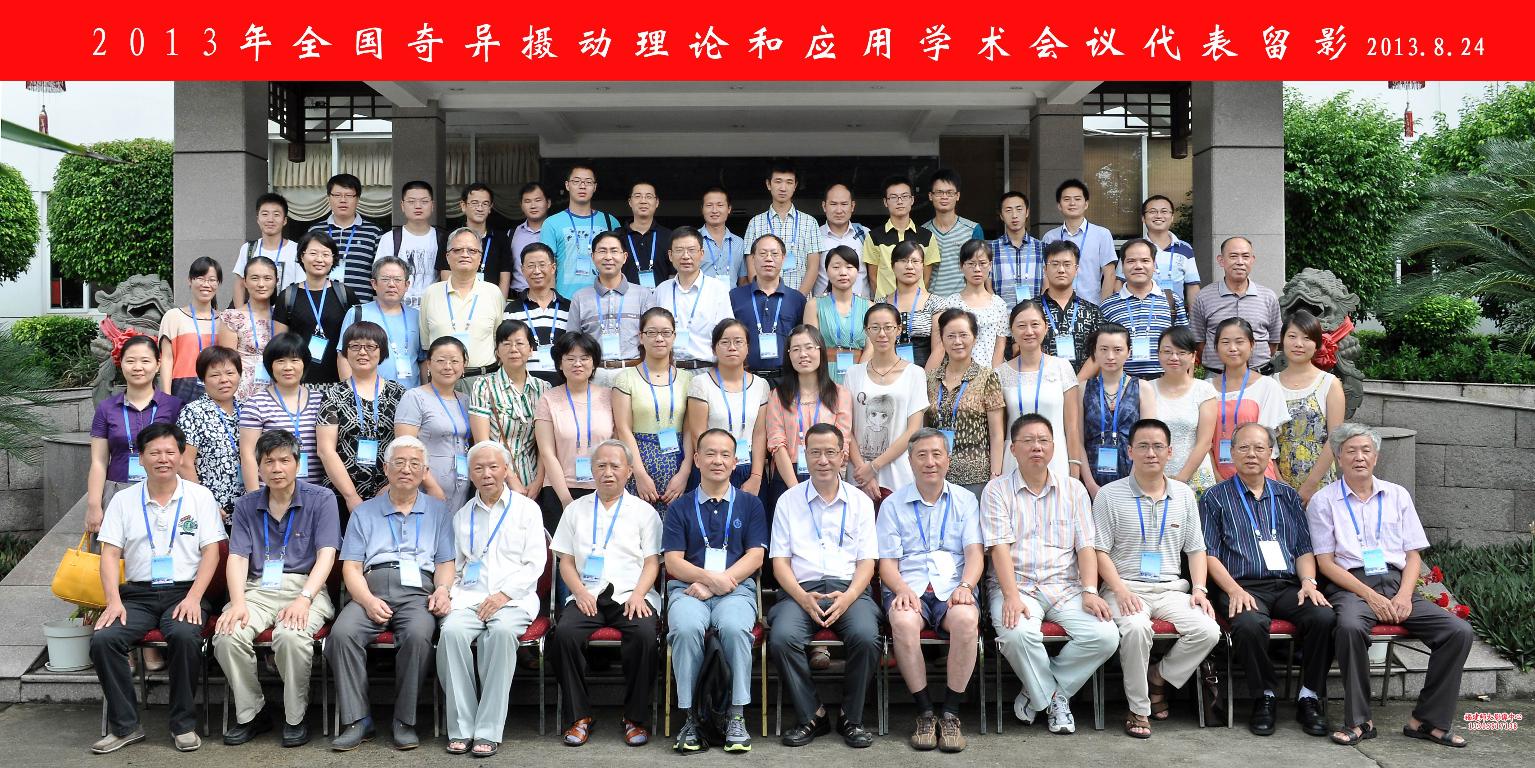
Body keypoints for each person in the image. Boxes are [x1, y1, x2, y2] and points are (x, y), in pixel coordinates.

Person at [1306, 423, 1474, 748]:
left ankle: (1427, 721)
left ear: (1376, 457)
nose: (1359, 457)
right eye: (1351, 451)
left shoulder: (1397, 495)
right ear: (1338, 458)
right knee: (1349, 628)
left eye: (1366, 450)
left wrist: (1405, 596)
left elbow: (1412, 555)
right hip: (1351, 586)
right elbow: (1325, 563)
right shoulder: (1324, 501)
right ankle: (1359, 721)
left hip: (1397, 584)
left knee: (1457, 631)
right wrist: (1370, 595)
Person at [89, 422, 225, 754]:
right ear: (142, 457)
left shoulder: (200, 496)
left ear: (180, 455)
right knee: (104, 639)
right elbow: (110, 554)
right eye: (154, 452)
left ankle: (183, 725)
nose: (163, 459)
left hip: (185, 591)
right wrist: (113, 601)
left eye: (169, 452)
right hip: (137, 594)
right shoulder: (123, 500)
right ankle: (125, 727)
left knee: (184, 635)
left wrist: (195, 597)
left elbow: (212, 552)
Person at [982, 413, 1117, 735]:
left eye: (1043, 440)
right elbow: (998, 548)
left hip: (1066, 587)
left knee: (1105, 636)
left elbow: (1086, 547)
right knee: (1017, 634)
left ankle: (1038, 690)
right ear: (1013, 449)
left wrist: (1090, 590)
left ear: (1054, 447)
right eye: (1028, 441)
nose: (1037, 447)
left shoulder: (1073, 489)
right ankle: (1055, 699)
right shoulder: (996, 490)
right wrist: (1011, 596)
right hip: (1017, 586)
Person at [1200, 422, 1334, 737]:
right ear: (1232, 453)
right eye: (1244, 447)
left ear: (1270, 453)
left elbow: (1303, 549)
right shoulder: (1214, 498)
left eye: (1259, 448)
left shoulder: (1287, 496)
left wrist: (1308, 583)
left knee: (1324, 617)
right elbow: (1209, 554)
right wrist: (1233, 590)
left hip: (1288, 585)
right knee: (1248, 624)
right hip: (1241, 585)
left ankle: (1309, 696)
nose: (1252, 454)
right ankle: (1265, 696)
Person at [1092, 418, 1219, 738]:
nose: (1151, 453)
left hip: (1170, 589)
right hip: (1124, 587)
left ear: (1170, 452)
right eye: (1144, 446)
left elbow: (1196, 549)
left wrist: (1200, 589)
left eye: (1158, 446)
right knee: (1136, 628)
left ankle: (1158, 676)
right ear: (1130, 451)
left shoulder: (1184, 495)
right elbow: (1099, 551)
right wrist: (1119, 590)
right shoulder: (1109, 495)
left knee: (1208, 630)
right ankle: (1138, 708)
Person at [215, 428, 340, 748]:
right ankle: (252, 713)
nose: (277, 468)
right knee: (227, 634)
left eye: (285, 460)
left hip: (305, 587)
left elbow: (327, 555)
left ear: (298, 463)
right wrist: (237, 603)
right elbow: (237, 558)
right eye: (268, 462)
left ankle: (295, 716)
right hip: (257, 590)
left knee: (291, 636)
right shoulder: (246, 505)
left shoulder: (322, 499)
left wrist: (304, 599)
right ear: (258, 467)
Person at [327, 436, 454, 752]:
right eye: (399, 462)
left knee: (418, 635)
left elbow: (445, 563)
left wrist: (442, 589)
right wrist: (368, 600)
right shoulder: (364, 512)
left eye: (414, 464)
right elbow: (351, 567)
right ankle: (357, 720)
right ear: (386, 468)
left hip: (418, 592)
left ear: (424, 471)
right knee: (342, 634)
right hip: (371, 588)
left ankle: (404, 720)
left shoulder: (439, 511)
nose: (406, 469)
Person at [768, 424, 880, 748]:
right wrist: (802, 597)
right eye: (815, 452)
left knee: (866, 636)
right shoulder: (788, 501)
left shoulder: (860, 502)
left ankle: (851, 717)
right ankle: (812, 715)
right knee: (782, 638)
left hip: (849, 590)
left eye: (830, 452)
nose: (823, 460)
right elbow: (779, 563)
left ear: (843, 456)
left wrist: (849, 597)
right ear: (805, 455)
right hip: (800, 590)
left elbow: (867, 563)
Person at [437, 440, 549, 756]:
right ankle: (462, 727)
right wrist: (447, 592)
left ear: (506, 470)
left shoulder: (527, 510)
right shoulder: (462, 516)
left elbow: (535, 564)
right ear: (470, 474)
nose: (486, 474)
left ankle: (487, 730)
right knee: (451, 633)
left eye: (493, 467)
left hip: (514, 599)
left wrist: (503, 595)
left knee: (499, 634)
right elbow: (457, 568)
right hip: (469, 598)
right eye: (479, 468)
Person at [551, 439, 664, 747]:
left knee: (644, 636)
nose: (608, 472)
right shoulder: (575, 510)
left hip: (631, 594)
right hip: (587, 593)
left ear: (629, 471)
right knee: (564, 635)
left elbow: (652, 562)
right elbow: (566, 562)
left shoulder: (644, 512)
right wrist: (579, 592)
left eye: (615, 466)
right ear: (592, 470)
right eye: (601, 466)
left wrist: (639, 594)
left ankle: (634, 718)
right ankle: (580, 716)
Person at [877, 429, 984, 752]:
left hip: (953, 586)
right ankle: (924, 712)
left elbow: (975, 554)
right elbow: (886, 563)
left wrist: (966, 585)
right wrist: (900, 589)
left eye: (937, 454)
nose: (930, 462)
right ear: (910, 461)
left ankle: (950, 713)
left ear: (948, 460)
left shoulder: (965, 500)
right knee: (903, 621)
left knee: (966, 619)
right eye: (921, 455)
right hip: (908, 585)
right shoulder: (892, 505)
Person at [663, 429, 769, 754]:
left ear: (735, 461)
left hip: (736, 590)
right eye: (710, 453)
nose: (717, 460)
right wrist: (709, 579)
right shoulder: (680, 507)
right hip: (688, 590)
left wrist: (719, 582)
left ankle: (736, 716)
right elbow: (673, 562)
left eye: (725, 454)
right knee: (684, 628)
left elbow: (756, 556)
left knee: (736, 629)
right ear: (696, 459)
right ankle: (691, 718)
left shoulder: (750, 504)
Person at [87, 334, 183, 533]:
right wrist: (94, 505)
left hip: (164, 491)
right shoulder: (106, 408)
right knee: (116, 549)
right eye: (130, 361)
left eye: (145, 361)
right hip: (117, 490)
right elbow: (98, 462)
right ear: (120, 364)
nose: (138, 367)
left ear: (157, 365)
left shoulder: (174, 406)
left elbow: (183, 457)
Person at [316, 321, 406, 514]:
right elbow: (325, 450)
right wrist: (351, 497)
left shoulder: (399, 394)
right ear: (346, 352)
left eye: (371, 346)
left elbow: (406, 445)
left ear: (382, 351)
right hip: (341, 495)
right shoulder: (333, 394)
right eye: (355, 346)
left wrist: (391, 487)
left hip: (390, 494)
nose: (362, 352)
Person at [612, 308, 694, 509]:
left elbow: (690, 430)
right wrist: (639, 474)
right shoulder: (625, 378)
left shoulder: (688, 379)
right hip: (638, 465)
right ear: (641, 337)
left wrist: (685, 472)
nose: (659, 338)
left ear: (674, 336)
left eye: (666, 332)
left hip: (677, 468)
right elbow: (623, 429)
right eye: (652, 332)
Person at [533, 332, 614, 532]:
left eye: (584, 358)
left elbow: (617, 445)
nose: (578, 364)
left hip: (603, 488)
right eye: (570, 358)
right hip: (559, 490)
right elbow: (547, 452)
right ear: (560, 364)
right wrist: (566, 499)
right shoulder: (548, 399)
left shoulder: (609, 397)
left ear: (594, 363)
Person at [845, 303, 928, 496]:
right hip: (859, 473)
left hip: (899, 473)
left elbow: (913, 430)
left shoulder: (915, 373)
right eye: (875, 328)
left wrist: (874, 466)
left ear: (898, 329)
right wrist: (863, 470)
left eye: (888, 327)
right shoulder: (853, 373)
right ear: (867, 331)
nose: (882, 334)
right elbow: (847, 428)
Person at [764, 325, 853, 503]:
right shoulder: (777, 396)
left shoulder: (840, 394)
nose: (803, 354)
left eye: (809, 347)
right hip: (787, 476)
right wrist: (795, 490)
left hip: (826, 473)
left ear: (821, 351)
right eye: (796, 349)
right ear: (789, 355)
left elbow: (842, 442)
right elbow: (776, 443)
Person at [995, 300, 1081, 481]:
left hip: (1055, 458)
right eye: (1021, 326)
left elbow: (1072, 427)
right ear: (1012, 331)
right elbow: (998, 431)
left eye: (1035, 324)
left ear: (1045, 327)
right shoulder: (1000, 373)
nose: (1029, 331)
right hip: (1014, 459)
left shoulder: (1062, 367)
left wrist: (1074, 467)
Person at [925, 309, 1006, 498]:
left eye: (963, 335)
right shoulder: (930, 379)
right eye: (950, 336)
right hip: (936, 474)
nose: (957, 341)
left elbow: (996, 434)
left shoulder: (987, 377)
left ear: (974, 338)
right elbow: (925, 428)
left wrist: (995, 476)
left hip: (976, 477)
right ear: (942, 339)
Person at [684, 320, 770, 492]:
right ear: (714, 349)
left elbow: (760, 434)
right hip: (713, 467)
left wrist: (756, 477)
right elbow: (698, 435)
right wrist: (717, 472)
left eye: (738, 342)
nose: (732, 347)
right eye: (724, 342)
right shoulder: (700, 384)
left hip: (749, 467)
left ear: (747, 348)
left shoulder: (761, 385)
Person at [469, 319, 551, 501]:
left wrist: (539, 481)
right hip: (497, 481)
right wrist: (511, 480)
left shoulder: (544, 388)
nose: (514, 349)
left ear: (531, 349)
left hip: (535, 483)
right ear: (497, 351)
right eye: (506, 344)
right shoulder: (483, 386)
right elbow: (482, 442)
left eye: (520, 343)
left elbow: (545, 444)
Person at [1273, 310, 1345, 504]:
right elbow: (1266, 439)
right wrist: (1278, 482)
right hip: (1276, 485)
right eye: (1292, 336)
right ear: (1282, 340)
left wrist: (1309, 486)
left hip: (1319, 485)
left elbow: (1335, 438)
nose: (1299, 344)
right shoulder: (1270, 384)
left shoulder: (1329, 384)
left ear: (1317, 344)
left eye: (1306, 338)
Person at [420, 228, 506, 389]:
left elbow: (498, 339)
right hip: (441, 381)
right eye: (457, 250)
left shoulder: (493, 293)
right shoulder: (431, 293)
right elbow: (426, 344)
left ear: (480, 257)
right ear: (447, 256)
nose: (465, 254)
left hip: (483, 382)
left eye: (472, 251)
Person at [1079, 323, 1159, 497]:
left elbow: (1147, 440)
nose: (1110, 356)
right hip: (1090, 482)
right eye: (1103, 349)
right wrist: (1090, 485)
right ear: (1095, 352)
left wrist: (1131, 482)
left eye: (1117, 350)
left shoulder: (1142, 388)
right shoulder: (1083, 389)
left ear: (1128, 352)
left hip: (1133, 480)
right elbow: (1077, 441)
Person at [396, 336, 475, 508]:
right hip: (425, 490)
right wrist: (431, 486)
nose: (448, 366)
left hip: (461, 491)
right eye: (440, 361)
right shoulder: (415, 397)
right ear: (429, 364)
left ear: (464, 365)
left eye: (454, 361)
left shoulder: (466, 400)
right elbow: (405, 447)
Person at [1209, 318, 1292, 482]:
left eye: (1239, 342)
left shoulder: (1267, 386)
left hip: (1259, 478)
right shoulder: (1205, 389)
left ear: (1252, 345)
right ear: (1216, 347)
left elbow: (1269, 443)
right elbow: (1203, 443)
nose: (1233, 348)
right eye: (1225, 342)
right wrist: (1217, 479)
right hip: (1216, 478)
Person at [567, 230, 653, 385]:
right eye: (602, 251)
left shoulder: (643, 295)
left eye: (614, 251)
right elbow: (572, 342)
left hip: (633, 373)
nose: (608, 257)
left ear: (624, 257)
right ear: (593, 257)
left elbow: (651, 338)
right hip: (594, 376)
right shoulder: (580, 298)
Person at [239, 332, 324, 490]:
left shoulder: (321, 401)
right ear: (270, 365)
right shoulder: (256, 404)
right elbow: (248, 455)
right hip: (272, 493)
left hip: (315, 494)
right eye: (280, 361)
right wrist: (254, 497)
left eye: (294, 360)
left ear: (304, 363)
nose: (288, 367)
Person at [1190, 236, 1284, 374]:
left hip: (1259, 375)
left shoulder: (1268, 297)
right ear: (1221, 260)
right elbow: (1198, 341)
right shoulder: (1204, 297)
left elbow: (1274, 341)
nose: (1240, 262)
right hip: (1216, 376)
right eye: (1233, 256)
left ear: (1252, 260)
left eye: (1245, 256)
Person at [272, 231, 356, 385]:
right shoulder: (287, 296)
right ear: (302, 256)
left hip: (340, 382)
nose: (319, 259)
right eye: (313, 253)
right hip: (300, 383)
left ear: (333, 259)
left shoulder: (345, 294)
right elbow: (280, 345)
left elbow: (356, 340)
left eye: (326, 254)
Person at [1098, 238, 1188, 380]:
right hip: (1122, 382)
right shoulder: (1108, 306)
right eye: (1131, 261)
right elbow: (1101, 350)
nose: (1138, 266)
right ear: (1122, 266)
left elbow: (1185, 346)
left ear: (1154, 264)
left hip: (1165, 381)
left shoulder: (1172, 300)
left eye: (1145, 261)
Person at [729, 234, 808, 388]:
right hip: (745, 379)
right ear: (752, 259)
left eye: (774, 254)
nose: (769, 259)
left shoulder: (797, 299)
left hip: (786, 381)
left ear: (783, 258)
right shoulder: (735, 297)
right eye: (763, 253)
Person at [177, 346, 246, 521]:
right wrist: (205, 504)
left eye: (230, 373)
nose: (224, 380)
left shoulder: (248, 410)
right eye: (215, 375)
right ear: (203, 379)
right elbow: (184, 463)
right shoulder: (193, 412)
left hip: (247, 508)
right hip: (211, 509)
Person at [651, 226, 733, 370]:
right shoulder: (661, 290)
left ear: (702, 254)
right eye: (679, 250)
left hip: (706, 370)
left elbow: (727, 333)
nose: (686, 256)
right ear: (670, 255)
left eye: (691, 250)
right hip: (668, 370)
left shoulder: (717, 289)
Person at [1152, 326, 1218, 494]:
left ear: (1193, 356)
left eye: (1181, 352)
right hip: (1155, 476)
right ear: (1158, 354)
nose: (1174, 357)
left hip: (1195, 477)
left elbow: (1204, 442)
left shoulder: (1204, 390)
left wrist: (1180, 479)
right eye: (1167, 351)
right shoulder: (1146, 389)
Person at [339, 256, 423, 387]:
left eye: (397, 280)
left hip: (411, 394)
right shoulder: (357, 313)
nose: (391, 284)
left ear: (407, 285)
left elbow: (423, 360)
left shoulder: (417, 316)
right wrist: (351, 392)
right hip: (368, 394)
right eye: (385, 279)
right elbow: (343, 356)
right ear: (374, 284)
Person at [744, 158, 822, 294]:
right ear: (768, 184)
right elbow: (751, 266)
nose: (783, 188)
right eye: (778, 181)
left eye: (789, 182)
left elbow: (813, 268)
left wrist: (797, 299)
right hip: (764, 299)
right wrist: (763, 296)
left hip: (799, 300)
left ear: (795, 185)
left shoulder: (810, 222)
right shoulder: (755, 223)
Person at [929, 240, 1008, 370]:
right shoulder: (950, 304)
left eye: (982, 263)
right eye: (971, 264)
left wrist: (994, 375)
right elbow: (940, 347)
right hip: (957, 373)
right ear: (961, 266)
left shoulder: (999, 304)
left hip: (988, 372)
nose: (977, 269)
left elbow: (1000, 347)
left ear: (990, 265)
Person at [546, 164, 622, 298]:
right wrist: (553, 301)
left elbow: (619, 263)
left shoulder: (610, 221)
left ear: (595, 187)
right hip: (565, 299)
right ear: (567, 185)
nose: (582, 186)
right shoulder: (551, 223)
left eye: (588, 182)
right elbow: (547, 267)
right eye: (576, 181)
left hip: (604, 297)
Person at [308, 172, 383, 303]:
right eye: (337, 195)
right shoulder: (315, 231)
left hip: (360, 305)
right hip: (320, 304)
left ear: (357, 198)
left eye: (349, 195)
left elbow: (380, 273)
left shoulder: (374, 232)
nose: (343, 200)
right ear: (329, 197)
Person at [863, 175, 941, 300]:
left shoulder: (927, 236)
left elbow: (926, 277)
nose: (899, 201)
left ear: (912, 200)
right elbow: (873, 277)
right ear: (885, 202)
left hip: (917, 305)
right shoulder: (874, 237)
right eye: (893, 197)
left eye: (904, 196)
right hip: (886, 305)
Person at [158, 256, 223, 402]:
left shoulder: (225, 321)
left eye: (212, 280)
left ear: (218, 283)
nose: (206, 284)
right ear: (190, 280)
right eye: (200, 278)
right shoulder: (173, 317)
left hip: (218, 387)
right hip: (182, 388)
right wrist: (166, 399)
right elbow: (166, 359)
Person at [373, 180, 447, 309]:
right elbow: (380, 276)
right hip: (398, 309)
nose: (418, 206)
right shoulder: (390, 238)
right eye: (411, 201)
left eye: (424, 201)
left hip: (433, 309)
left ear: (432, 205)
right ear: (402, 205)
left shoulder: (442, 239)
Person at [1041, 179, 1117, 303]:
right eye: (1066, 199)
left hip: (1092, 305)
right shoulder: (1050, 237)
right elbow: (1046, 275)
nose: (1072, 203)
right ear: (1059, 205)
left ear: (1086, 204)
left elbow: (1109, 274)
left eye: (1077, 199)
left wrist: (1104, 308)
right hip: (1057, 306)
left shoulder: (1102, 234)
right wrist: (1047, 306)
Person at [506, 243, 569, 386]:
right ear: (522, 270)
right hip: (525, 386)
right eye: (530, 266)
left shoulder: (569, 308)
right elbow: (508, 350)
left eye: (542, 265)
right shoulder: (512, 310)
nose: (536, 271)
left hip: (563, 387)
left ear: (553, 268)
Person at [804, 245, 870, 382]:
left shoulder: (869, 306)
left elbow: (871, 348)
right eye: (836, 267)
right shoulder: (814, 305)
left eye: (849, 267)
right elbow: (811, 346)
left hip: (861, 373)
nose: (843, 272)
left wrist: (858, 375)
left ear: (858, 271)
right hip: (824, 375)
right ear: (826, 271)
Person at [218, 255, 279, 400]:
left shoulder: (282, 317)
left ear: (276, 281)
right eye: (255, 278)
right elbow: (228, 363)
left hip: (278, 389)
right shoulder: (232, 317)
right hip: (243, 391)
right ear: (245, 282)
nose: (261, 284)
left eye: (267, 278)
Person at [437, 183, 513, 297]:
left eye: (485, 204)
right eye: (474, 203)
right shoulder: (450, 237)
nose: (480, 208)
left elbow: (505, 277)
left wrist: (500, 303)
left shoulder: (501, 239)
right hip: (458, 300)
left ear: (490, 208)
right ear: (463, 205)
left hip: (490, 300)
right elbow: (445, 273)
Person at [1038, 241, 1103, 374]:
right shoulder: (1032, 310)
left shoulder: (1092, 312)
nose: (1061, 270)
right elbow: (1020, 349)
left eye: (1067, 264)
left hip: (1083, 384)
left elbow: (1100, 352)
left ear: (1076, 269)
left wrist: (1078, 382)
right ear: (1045, 269)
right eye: (1055, 264)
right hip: (1041, 382)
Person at [923, 169, 987, 298]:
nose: (944, 197)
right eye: (939, 192)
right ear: (930, 196)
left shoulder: (973, 229)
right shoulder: (923, 232)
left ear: (957, 196)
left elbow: (981, 268)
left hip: (965, 301)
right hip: (933, 301)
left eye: (949, 193)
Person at [232, 192, 301, 305]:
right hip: (254, 313)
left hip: (286, 313)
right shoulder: (249, 249)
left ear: (284, 220)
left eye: (276, 214)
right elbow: (240, 284)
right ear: (258, 219)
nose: (270, 219)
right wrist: (241, 312)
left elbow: (301, 287)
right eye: (265, 214)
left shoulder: (296, 250)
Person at [1138, 195, 1200, 307]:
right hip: (1141, 312)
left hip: (1176, 314)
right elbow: (1120, 282)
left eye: (1164, 211)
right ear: (1143, 218)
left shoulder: (1185, 248)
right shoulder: (1134, 248)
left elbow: (1192, 285)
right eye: (1152, 211)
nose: (1158, 216)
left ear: (1172, 217)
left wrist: (1194, 316)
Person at [881, 240, 936, 366]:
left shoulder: (935, 303)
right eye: (903, 261)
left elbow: (939, 348)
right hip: (887, 371)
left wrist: (925, 376)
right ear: (893, 266)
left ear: (923, 266)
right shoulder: (880, 304)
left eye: (915, 261)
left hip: (925, 370)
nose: (909, 266)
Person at [991, 191, 1047, 306]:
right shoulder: (991, 249)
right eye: (1008, 210)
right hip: (1001, 314)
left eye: (1019, 209)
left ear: (1027, 212)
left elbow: (1048, 284)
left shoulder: (1042, 248)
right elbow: (986, 285)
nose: (1014, 215)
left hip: (1035, 314)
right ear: (1001, 216)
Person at [817, 183, 872, 297]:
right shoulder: (815, 235)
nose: (839, 210)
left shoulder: (865, 234)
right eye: (833, 204)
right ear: (824, 206)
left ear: (852, 206)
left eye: (844, 204)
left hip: (862, 305)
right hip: (824, 305)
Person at [620, 181, 674, 288]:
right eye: (638, 196)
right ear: (630, 202)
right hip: (625, 297)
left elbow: (673, 273)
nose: (643, 201)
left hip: (660, 297)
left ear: (657, 202)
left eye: (648, 196)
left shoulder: (669, 236)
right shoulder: (617, 236)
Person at [699, 186, 747, 285]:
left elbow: (742, 280)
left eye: (720, 205)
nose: (714, 210)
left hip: (732, 295)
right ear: (702, 209)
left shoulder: (739, 243)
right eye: (709, 205)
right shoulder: (692, 240)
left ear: (729, 209)